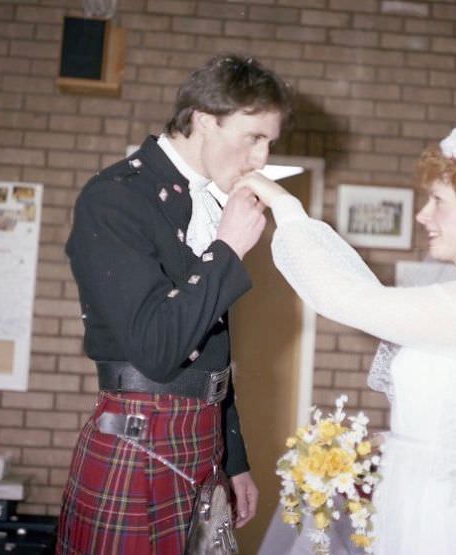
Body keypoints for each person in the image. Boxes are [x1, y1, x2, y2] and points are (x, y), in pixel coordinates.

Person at [241, 121, 456, 555]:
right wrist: (401, 443)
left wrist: (285, 205)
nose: (422, 214)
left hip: (439, 519)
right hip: (413, 497)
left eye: (437, 201)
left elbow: (349, 298)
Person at [56, 53, 292, 554]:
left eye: (269, 142)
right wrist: (227, 250)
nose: (262, 158)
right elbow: (160, 348)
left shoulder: (208, 200)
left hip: (202, 443)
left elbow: (211, 347)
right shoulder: (115, 197)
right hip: (140, 441)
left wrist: (235, 459)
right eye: (253, 137)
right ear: (205, 119)